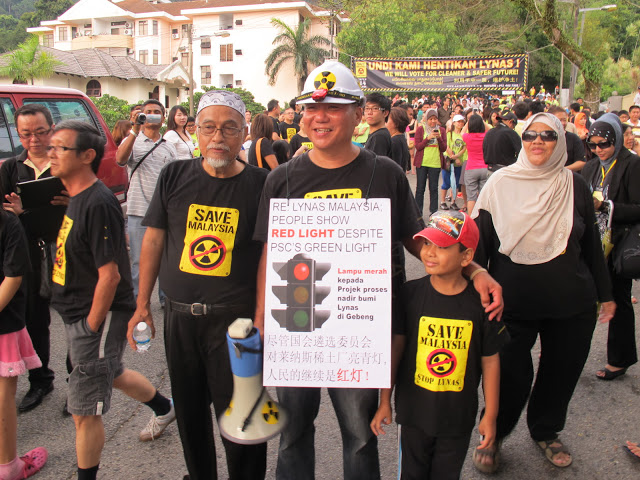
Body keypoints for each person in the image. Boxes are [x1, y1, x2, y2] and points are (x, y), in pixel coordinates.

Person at [252, 60, 503, 480]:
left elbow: (419, 239)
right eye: (312, 109)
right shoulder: (282, 179)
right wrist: (263, 321)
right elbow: (268, 255)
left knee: (359, 433)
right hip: (297, 327)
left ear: (358, 114)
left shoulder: (383, 174)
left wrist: (474, 268)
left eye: (333, 108)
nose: (320, 117)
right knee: (292, 432)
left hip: (359, 329)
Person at [128, 90, 268, 480]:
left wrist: (261, 317)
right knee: (190, 413)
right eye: (208, 128)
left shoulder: (263, 184)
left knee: (243, 415)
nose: (218, 137)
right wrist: (142, 305)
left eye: (229, 128)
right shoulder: (175, 175)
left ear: (244, 134)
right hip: (180, 319)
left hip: (237, 323)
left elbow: (273, 253)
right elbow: (154, 238)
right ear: (195, 132)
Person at [472, 113, 615, 471]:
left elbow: (592, 248)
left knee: (561, 372)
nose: (538, 141)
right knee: (508, 374)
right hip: (510, 304)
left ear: (561, 143)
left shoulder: (573, 185)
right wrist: (472, 287)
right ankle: (494, 433)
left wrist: (607, 295)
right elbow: (479, 246)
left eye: (548, 136)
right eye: (531, 134)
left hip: (572, 305)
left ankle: (546, 430)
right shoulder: (498, 184)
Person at [49, 120, 175, 480]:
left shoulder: (98, 202)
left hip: (96, 315)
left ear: (87, 156)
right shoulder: (75, 195)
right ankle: (165, 407)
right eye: (51, 145)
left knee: (84, 411)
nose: (51, 152)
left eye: (61, 148)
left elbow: (111, 274)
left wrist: (91, 327)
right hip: (79, 311)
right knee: (113, 371)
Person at [370, 211, 508, 480]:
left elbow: (491, 360)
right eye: (426, 243)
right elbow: (395, 349)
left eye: (442, 246)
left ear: (466, 257)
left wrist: (490, 415)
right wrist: (384, 399)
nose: (430, 253)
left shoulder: (482, 305)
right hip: (413, 416)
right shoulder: (410, 295)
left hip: (457, 419)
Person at [0, 104, 67, 413]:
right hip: (28, 253)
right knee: (33, 318)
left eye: (40, 132)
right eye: (26, 134)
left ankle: (77, 383)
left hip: (66, 252)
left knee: (74, 318)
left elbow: (95, 203)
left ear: (51, 128)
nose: (34, 140)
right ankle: (40, 379)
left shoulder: (68, 162)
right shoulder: (11, 169)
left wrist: (74, 199)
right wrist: (15, 213)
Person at [581, 114, 640, 381]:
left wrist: (605, 206)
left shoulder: (632, 164)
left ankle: (620, 358)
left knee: (617, 298)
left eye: (603, 144)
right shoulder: (591, 166)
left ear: (615, 140)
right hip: (592, 242)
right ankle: (568, 351)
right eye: (592, 144)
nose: (598, 150)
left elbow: (638, 209)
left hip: (618, 243)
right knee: (582, 298)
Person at [0, 209, 48, 480]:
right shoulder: (8, 223)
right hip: (4, 321)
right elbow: (13, 276)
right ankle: (9, 466)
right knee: (4, 395)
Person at [116, 99, 178, 304]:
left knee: (166, 259)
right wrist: (134, 129)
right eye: (148, 112)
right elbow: (120, 159)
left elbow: (175, 178)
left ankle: (164, 299)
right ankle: (137, 301)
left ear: (163, 117)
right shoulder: (133, 141)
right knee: (138, 262)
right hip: (139, 211)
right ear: (141, 116)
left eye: (157, 112)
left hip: (165, 212)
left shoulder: (169, 146)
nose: (153, 115)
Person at [414, 110, 446, 216]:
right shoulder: (420, 129)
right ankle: (418, 212)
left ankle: (433, 212)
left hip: (435, 163)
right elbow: (418, 146)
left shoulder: (441, 130)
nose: (433, 121)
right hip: (422, 163)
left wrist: (439, 138)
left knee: (433, 188)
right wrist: (428, 138)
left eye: (435, 119)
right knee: (420, 188)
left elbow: (444, 148)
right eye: (431, 119)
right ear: (427, 119)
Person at [462, 114, 488, 214]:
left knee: (471, 197)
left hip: (471, 168)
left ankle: (472, 220)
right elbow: (490, 129)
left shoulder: (467, 137)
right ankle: (483, 219)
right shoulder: (486, 135)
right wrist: (482, 120)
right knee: (484, 196)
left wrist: (468, 123)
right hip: (484, 167)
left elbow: (462, 132)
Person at [441, 114, 467, 210]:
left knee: (456, 183)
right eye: (458, 121)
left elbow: (464, 147)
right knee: (446, 182)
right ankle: (443, 201)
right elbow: (446, 146)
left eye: (462, 122)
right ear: (454, 123)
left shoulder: (463, 135)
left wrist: (458, 156)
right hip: (448, 160)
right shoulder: (449, 134)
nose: (460, 123)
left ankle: (453, 202)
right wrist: (453, 156)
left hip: (458, 161)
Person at [483, 111, 521, 175]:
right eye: (513, 126)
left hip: (490, 170)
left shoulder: (489, 132)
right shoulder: (511, 133)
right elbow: (520, 153)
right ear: (510, 122)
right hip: (506, 171)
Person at [549, 106, 586, 171]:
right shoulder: (542, 138)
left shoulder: (573, 138)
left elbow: (581, 162)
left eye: (564, 120)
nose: (563, 123)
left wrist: (562, 170)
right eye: (559, 120)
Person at [363, 93, 392, 157]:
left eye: (375, 108)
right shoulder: (376, 134)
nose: (369, 112)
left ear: (385, 113)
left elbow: (375, 165)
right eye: (367, 108)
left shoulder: (379, 137)